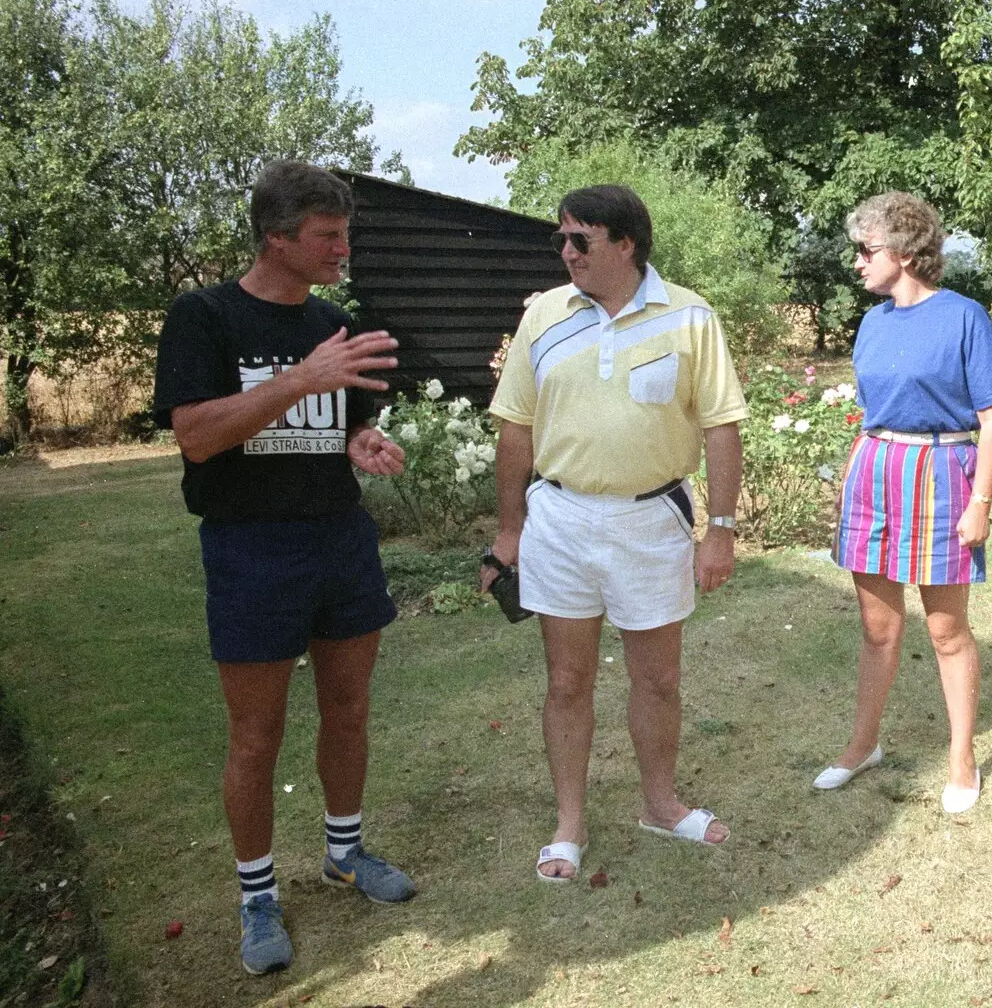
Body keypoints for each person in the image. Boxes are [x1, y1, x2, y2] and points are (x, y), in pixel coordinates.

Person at [152, 160, 416, 976]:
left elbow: (342, 421)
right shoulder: (204, 317)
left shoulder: (333, 323)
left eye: (346, 234)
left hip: (338, 539)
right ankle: (257, 893)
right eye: (327, 237)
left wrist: (359, 440)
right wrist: (302, 378)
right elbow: (197, 434)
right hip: (250, 546)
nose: (343, 249)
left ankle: (344, 851)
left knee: (349, 709)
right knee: (256, 734)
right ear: (278, 238)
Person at [481, 184, 747, 883]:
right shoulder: (543, 314)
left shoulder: (690, 316)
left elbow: (721, 425)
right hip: (561, 520)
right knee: (566, 680)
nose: (566, 253)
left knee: (657, 678)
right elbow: (515, 428)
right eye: (560, 241)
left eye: (581, 240)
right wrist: (508, 532)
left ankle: (660, 804)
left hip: (651, 519)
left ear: (625, 243)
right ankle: (569, 823)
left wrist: (718, 530)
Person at [815, 191, 992, 813]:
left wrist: (980, 500)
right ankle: (862, 745)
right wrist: (853, 478)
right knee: (878, 627)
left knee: (946, 629)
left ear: (904, 251)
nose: (857, 262)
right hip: (876, 469)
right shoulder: (872, 322)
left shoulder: (964, 317)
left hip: (943, 472)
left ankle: (962, 757)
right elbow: (874, 412)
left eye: (866, 250)